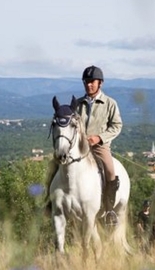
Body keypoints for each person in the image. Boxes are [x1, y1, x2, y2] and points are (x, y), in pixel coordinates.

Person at [44, 65, 122, 221]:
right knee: (54, 164)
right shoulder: (77, 104)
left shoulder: (109, 103)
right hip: (78, 148)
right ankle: (49, 202)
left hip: (99, 146)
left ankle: (109, 209)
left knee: (110, 171)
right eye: (86, 82)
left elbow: (117, 126)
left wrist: (99, 138)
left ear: (100, 83)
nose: (89, 85)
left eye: (92, 81)